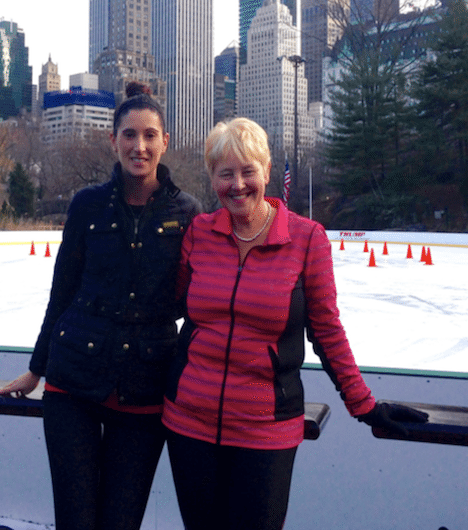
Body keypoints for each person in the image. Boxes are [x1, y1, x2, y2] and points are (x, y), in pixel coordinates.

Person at [162, 117, 426, 530]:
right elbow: (171, 305)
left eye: (248, 171)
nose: (237, 184)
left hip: (264, 429)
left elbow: (326, 330)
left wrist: (364, 405)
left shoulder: (306, 239)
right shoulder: (199, 232)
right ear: (212, 177)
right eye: (225, 173)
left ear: (267, 172)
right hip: (188, 423)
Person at [0, 82, 201, 530]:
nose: (140, 146)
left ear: (165, 142)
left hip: (145, 387)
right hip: (73, 384)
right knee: (75, 520)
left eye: (150, 135)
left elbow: (198, 304)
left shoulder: (187, 213)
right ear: (113, 141)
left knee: (120, 522)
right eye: (129, 135)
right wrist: (37, 367)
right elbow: (63, 291)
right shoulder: (87, 205)